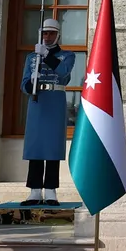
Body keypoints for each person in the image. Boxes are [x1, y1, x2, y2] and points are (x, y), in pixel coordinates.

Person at [20, 18, 76, 206]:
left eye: (51, 33)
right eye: (45, 33)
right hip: (37, 101)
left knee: (52, 147)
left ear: (58, 35)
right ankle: (35, 191)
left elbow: (64, 73)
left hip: (55, 101)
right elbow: (24, 83)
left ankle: (50, 190)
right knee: (35, 146)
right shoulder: (31, 57)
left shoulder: (67, 55)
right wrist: (31, 82)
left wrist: (47, 57)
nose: (48, 37)